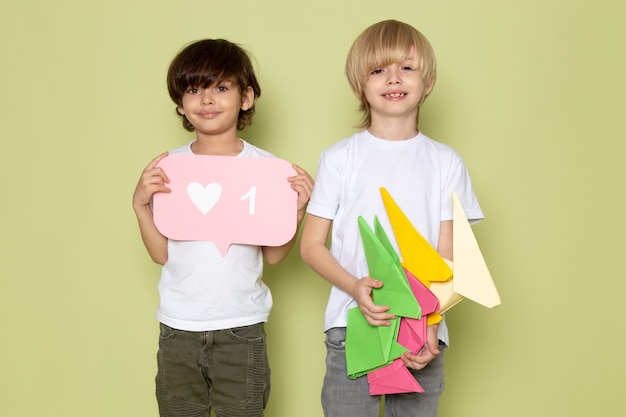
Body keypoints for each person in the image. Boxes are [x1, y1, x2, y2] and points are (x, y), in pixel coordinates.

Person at [300, 20, 484, 417]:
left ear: (428, 80)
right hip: (352, 325)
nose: (393, 78)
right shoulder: (339, 159)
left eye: (407, 67)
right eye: (378, 70)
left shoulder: (445, 162)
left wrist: (431, 322)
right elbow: (311, 245)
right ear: (359, 85)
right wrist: (354, 286)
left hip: (422, 332)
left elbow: (447, 252)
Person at [132, 39, 313, 417]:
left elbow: (276, 256)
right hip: (179, 328)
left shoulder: (268, 170)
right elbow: (161, 254)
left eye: (221, 87)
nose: (207, 99)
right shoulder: (169, 170)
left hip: (241, 327)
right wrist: (140, 206)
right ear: (181, 105)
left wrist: (295, 212)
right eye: (194, 90)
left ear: (246, 97)